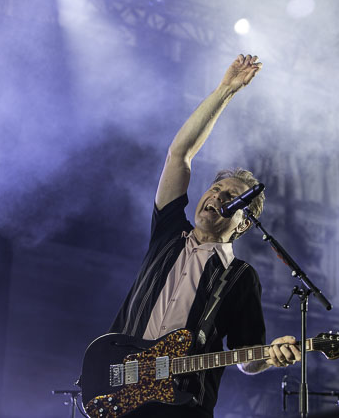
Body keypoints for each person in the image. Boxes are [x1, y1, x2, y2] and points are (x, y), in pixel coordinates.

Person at [109, 54, 301, 418]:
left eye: (231, 197)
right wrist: (225, 90)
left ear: (244, 224)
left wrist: (271, 356)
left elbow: (248, 357)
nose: (217, 197)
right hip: (121, 390)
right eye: (215, 189)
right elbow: (179, 154)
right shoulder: (169, 234)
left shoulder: (240, 278)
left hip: (182, 407)